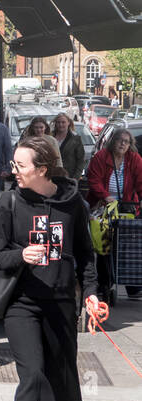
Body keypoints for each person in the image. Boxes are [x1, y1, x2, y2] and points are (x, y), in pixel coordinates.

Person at [0, 136, 98, 401]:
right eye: (14, 164)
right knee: (32, 374)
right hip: (22, 303)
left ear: (42, 169)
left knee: (54, 374)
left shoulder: (73, 204)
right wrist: (22, 256)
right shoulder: (9, 201)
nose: (13, 171)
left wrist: (92, 296)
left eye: (20, 166)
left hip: (61, 302)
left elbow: (87, 256)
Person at [85, 127, 142, 298]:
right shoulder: (101, 157)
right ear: (113, 141)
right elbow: (93, 179)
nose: (123, 144)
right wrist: (105, 196)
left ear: (130, 144)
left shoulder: (135, 159)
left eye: (126, 142)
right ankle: (104, 284)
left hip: (127, 208)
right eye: (120, 140)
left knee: (127, 247)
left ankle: (132, 284)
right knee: (104, 247)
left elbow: (140, 182)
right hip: (103, 206)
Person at [52, 113, 86, 181]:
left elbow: (81, 160)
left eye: (63, 122)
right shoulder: (50, 137)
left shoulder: (75, 139)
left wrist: (75, 178)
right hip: (52, 176)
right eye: (58, 122)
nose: (61, 124)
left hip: (69, 177)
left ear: (68, 123)